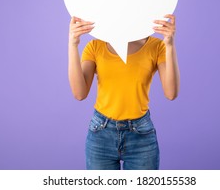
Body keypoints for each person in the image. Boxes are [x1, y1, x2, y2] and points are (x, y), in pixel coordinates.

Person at [68, 14, 180, 170]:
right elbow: (79, 94)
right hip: (101, 133)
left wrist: (170, 45)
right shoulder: (95, 46)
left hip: (141, 135)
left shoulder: (156, 47)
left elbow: (171, 93)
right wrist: (73, 45)